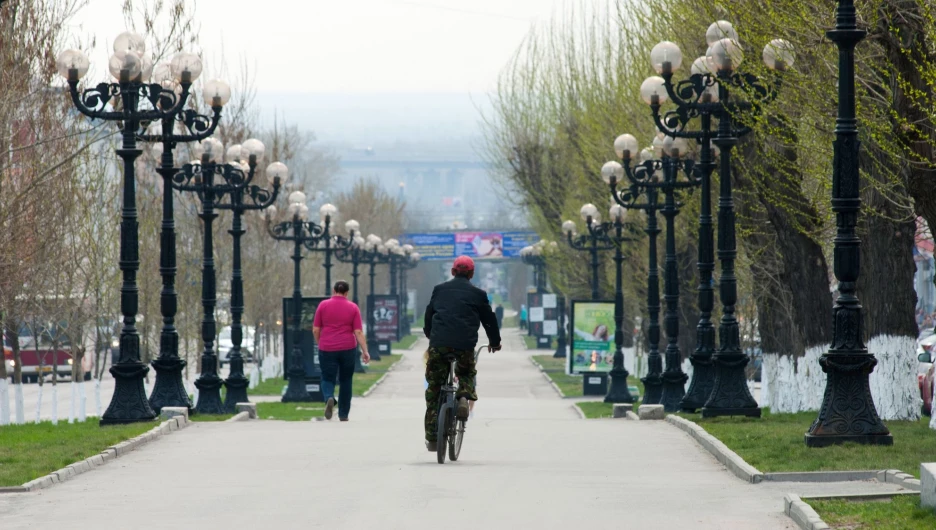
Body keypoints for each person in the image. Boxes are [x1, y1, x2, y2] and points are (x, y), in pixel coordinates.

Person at [422, 255, 501, 452]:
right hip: (464, 345)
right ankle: (464, 396)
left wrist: (431, 335)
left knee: (434, 389)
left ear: (452, 271)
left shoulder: (439, 290)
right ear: (472, 274)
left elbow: (429, 314)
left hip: (439, 344)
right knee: (466, 372)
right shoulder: (478, 294)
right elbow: (489, 319)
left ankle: (432, 438)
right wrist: (494, 342)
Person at [313, 280, 370, 421]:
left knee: (327, 377)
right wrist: (365, 351)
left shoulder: (323, 305)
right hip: (348, 348)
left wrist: (321, 343)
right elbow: (358, 332)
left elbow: (315, 329)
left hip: (327, 347)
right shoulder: (353, 307)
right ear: (346, 293)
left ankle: (329, 398)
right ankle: (343, 414)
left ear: (333, 290)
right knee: (346, 380)